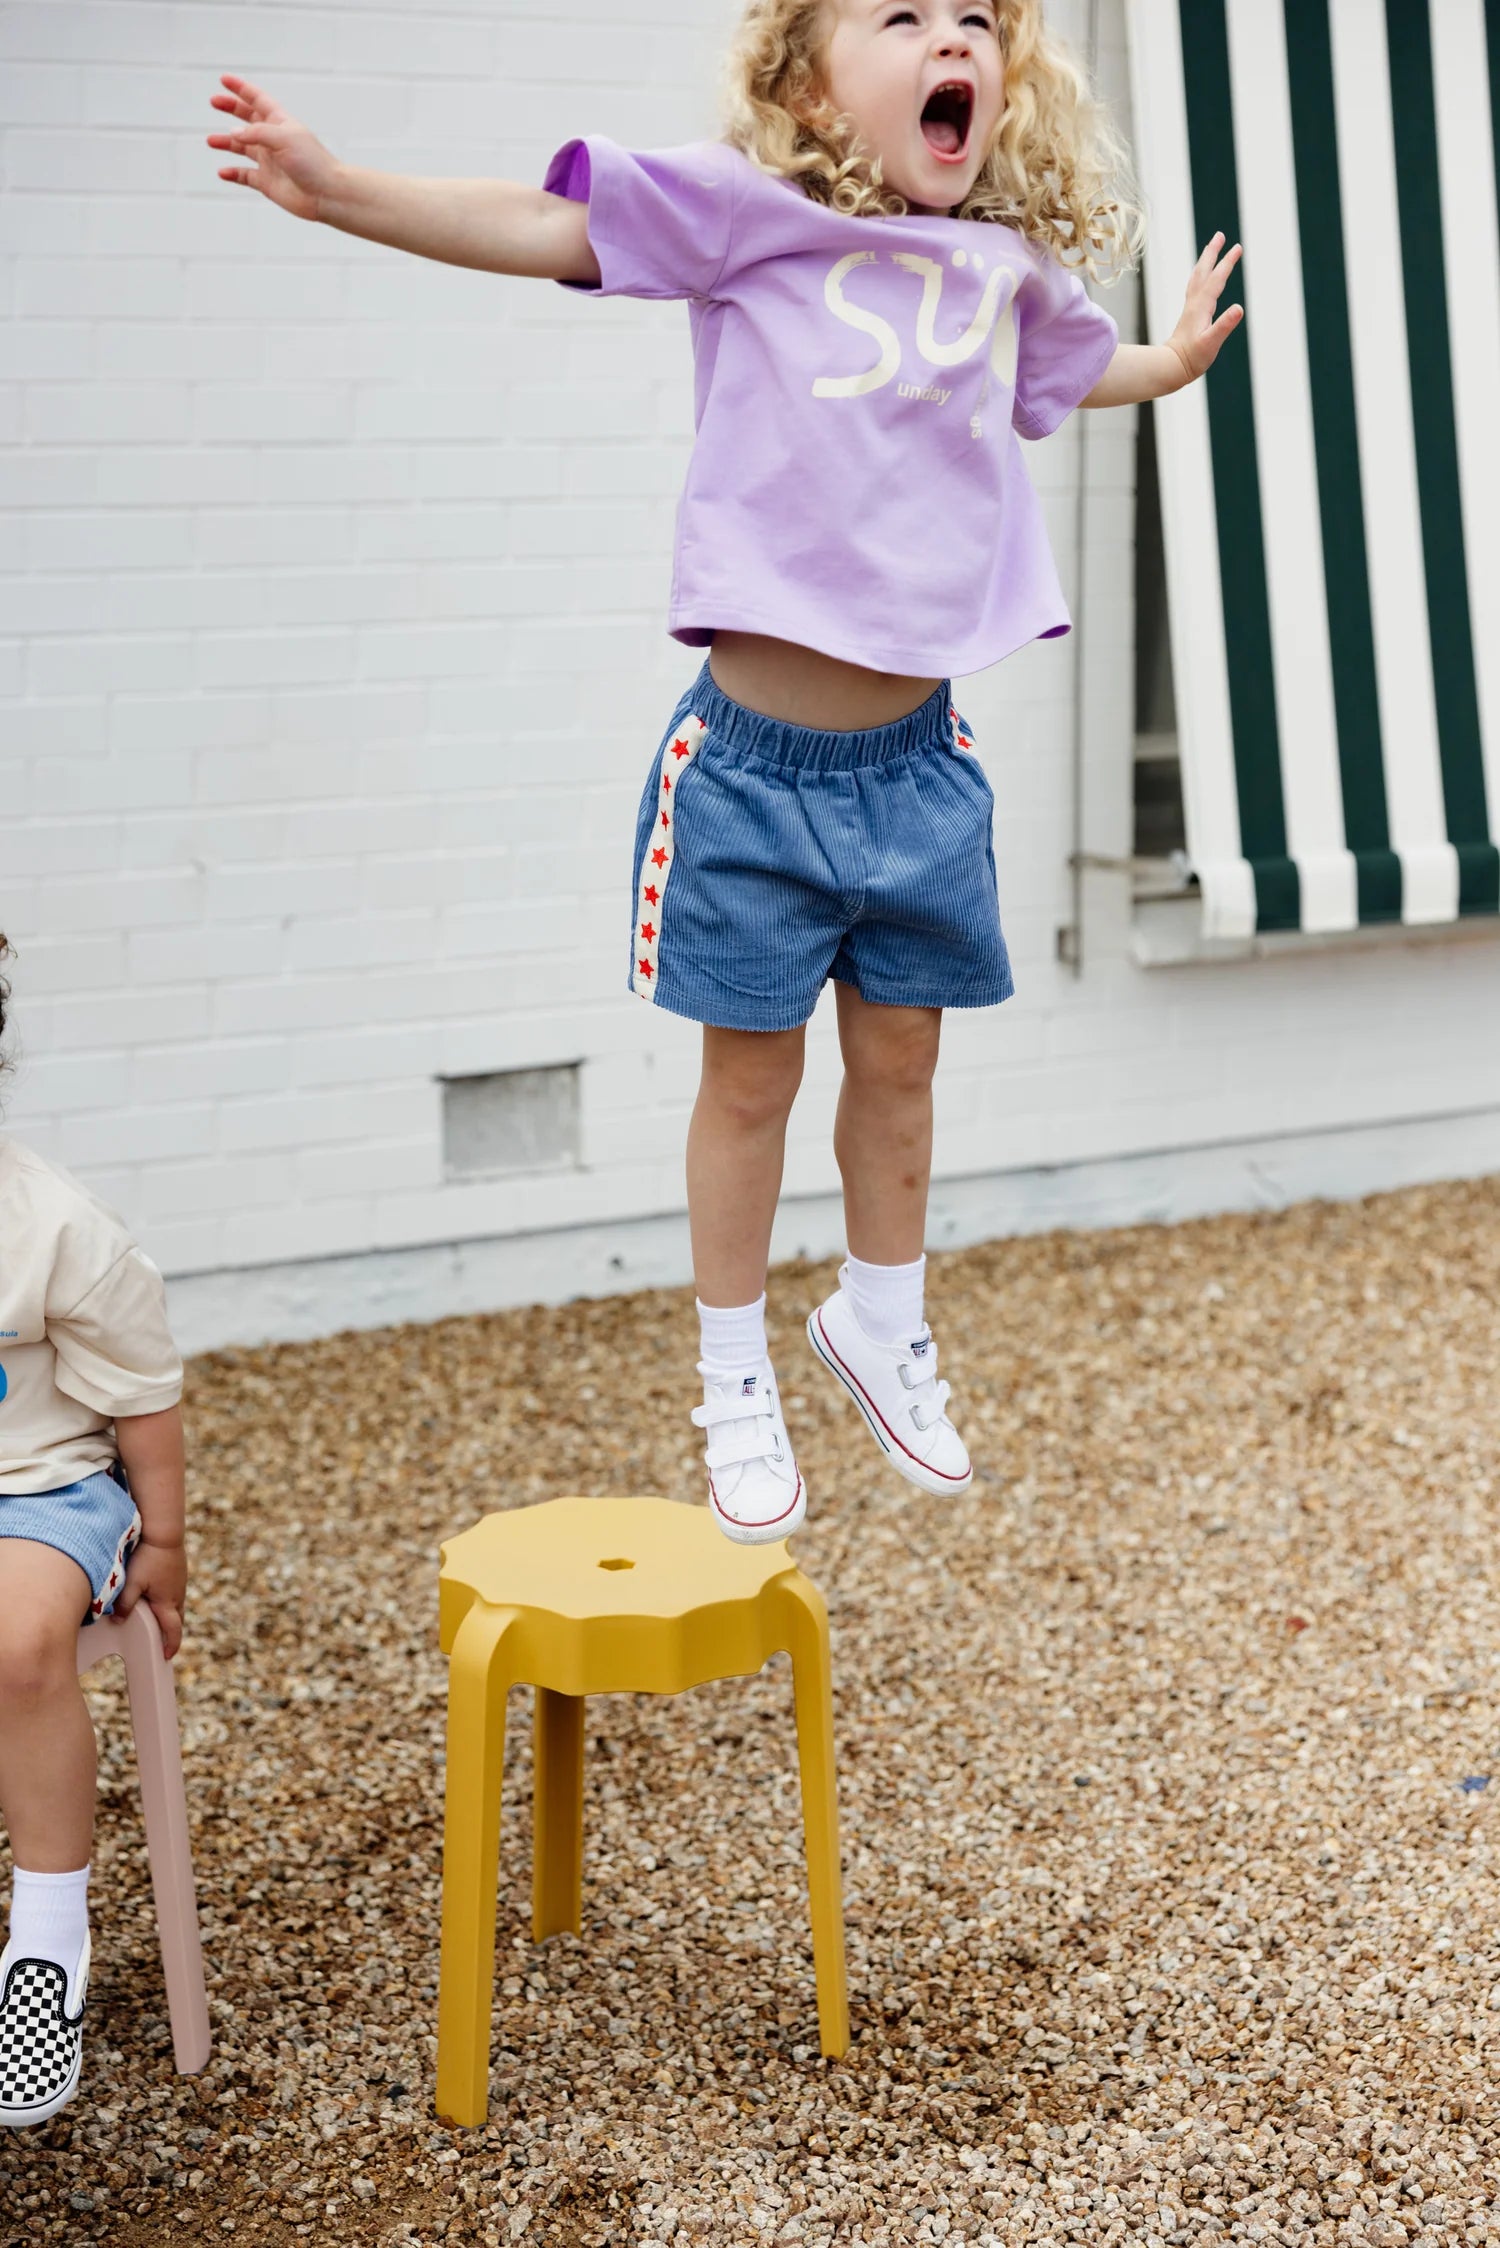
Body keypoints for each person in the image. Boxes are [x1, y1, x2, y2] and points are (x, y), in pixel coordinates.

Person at [207, 0, 1242, 1544]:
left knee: (904, 1066)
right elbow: (546, 227)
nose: (951, 36)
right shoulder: (754, 220)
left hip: (920, 770)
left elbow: (1064, 371)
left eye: (977, 20)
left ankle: (882, 1319)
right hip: (750, 779)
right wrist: (339, 185)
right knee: (751, 1079)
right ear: (814, 85)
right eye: (903, 15)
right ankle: (732, 1371)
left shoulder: (1004, 267)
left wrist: (1167, 362)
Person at [0, 937, 188, 2127]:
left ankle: (48, 1934)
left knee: (19, 1646)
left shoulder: (53, 1224)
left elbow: (143, 1394)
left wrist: (163, 1541)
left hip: (44, 1487)